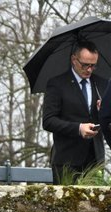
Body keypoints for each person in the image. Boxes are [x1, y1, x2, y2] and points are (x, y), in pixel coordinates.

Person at [42, 40, 105, 183]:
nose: (89, 69)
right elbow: (48, 121)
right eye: (85, 65)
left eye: (93, 65)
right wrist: (78, 128)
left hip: (95, 161)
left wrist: (106, 112)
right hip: (66, 162)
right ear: (74, 60)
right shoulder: (57, 84)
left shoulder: (102, 84)